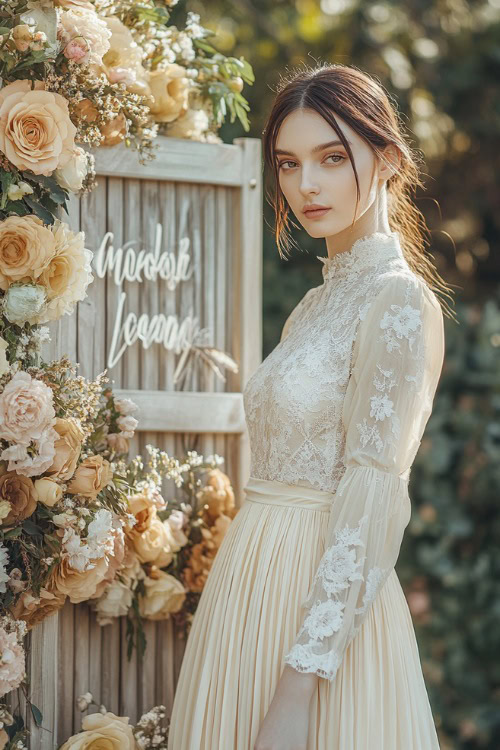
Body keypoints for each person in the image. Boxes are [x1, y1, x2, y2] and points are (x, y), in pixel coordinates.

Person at [167, 62, 455, 750]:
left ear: (386, 158)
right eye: (289, 163)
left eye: (332, 157)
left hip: (320, 631)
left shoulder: (398, 301)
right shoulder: (315, 304)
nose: (307, 185)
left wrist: (299, 684)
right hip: (249, 591)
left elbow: (373, 492)